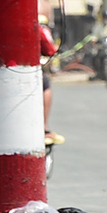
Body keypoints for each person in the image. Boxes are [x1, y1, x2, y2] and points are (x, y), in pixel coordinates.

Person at [38, 13, 61, 145]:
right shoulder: (40, 29)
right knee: (45, 85)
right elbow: (49, 50)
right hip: (27, 69)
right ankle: (44, 126)